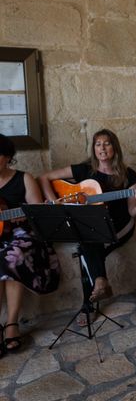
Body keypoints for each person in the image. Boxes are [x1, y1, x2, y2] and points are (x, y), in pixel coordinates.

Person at [39, 129, 136, 306]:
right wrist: (55, 202)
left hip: (120, 226)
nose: (102, 148)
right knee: (89, 241)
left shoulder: (128, 175)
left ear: (115, 147)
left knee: (87, 246)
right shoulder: (84, 170)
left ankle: (89, 304)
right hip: (93, 227)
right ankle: (100, 282)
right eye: (98, 144)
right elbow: (44, 177)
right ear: (93, 149)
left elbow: (132, 212)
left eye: (107, 143)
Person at [0, 134, 59, 354]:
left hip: (23, 234)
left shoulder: (24, 178)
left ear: (7, 158)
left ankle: (11, 324)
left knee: (11, 258)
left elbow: (39, 214)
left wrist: (22, 217)